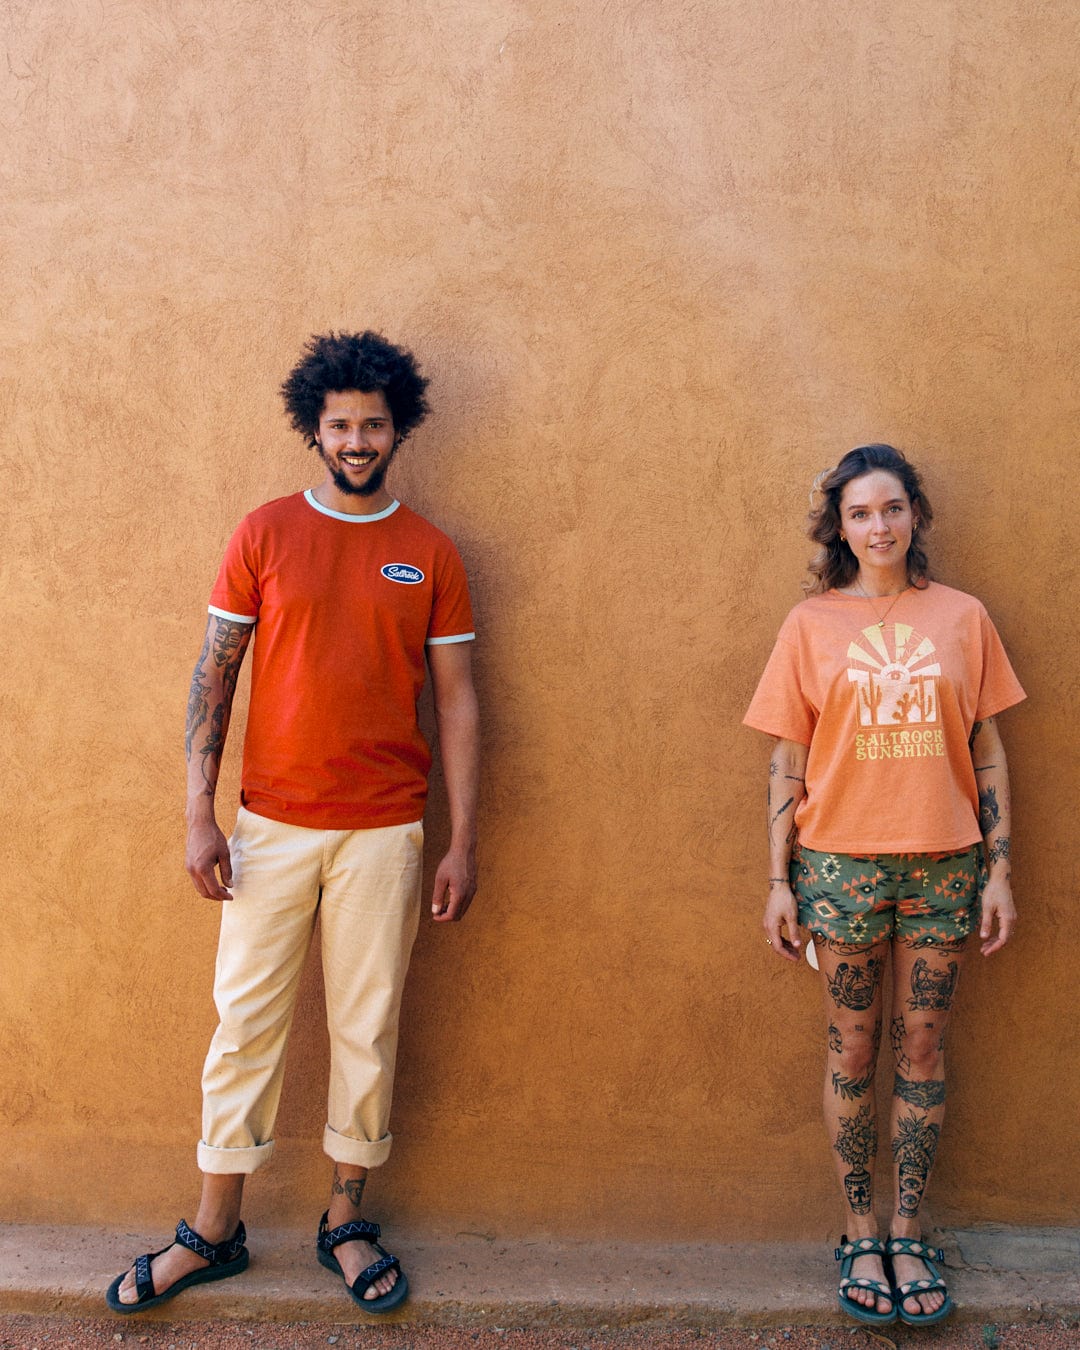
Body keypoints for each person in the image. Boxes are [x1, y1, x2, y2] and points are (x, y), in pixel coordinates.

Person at [106, 331, 480, 1315]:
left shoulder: (428, 551)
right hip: (267, 828)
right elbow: (214, 674)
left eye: (373, 424)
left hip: (387, 831)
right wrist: (200, 813)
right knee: (245, 1028)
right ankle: (213, 1230)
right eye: (340, 424)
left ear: (398, 429)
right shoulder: (265, 532)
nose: (357, 439)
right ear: (313, 431)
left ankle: (346, 1221)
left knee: (369, 1028)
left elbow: (458, 703)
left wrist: (462, 840)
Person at [744, 444, 1023, 1329]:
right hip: (839, 867)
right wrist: (777, 879)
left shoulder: (963, 618)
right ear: (840, 526)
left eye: (892, 508)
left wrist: (1000, 869)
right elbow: (787, 762)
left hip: (946, 862)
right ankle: (859, 1231)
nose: (879, 527)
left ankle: (909, 1231)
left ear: (916, 516)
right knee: (854, 1050)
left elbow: (987, 751)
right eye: (860, 513)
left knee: (924, 1050)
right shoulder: (810, 624)